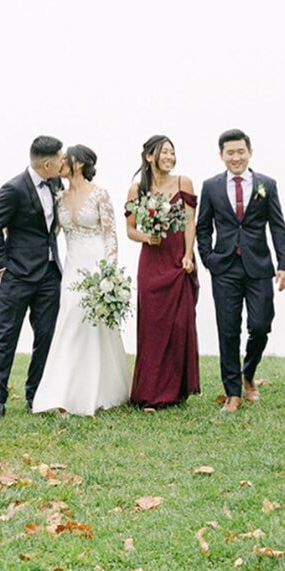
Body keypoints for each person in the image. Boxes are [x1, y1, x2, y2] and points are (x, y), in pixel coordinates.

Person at [196, 128, 285, 412]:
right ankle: (233, 392)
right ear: (221, 155)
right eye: (230, 153)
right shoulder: (211, 186)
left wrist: (283, 263)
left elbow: (277, 225)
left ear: (250, 152)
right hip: (224, 267)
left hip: (259, 266)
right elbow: (203, 227)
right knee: (228, 330)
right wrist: (209, 259)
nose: (235, 157)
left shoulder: (267, 184)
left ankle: (248, 372)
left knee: (261, 325)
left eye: (240, 151)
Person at [32, 145, 131, 415]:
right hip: (73, 267)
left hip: (97, 265)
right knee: (70, 321)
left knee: (96, 326)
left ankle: (101, 390)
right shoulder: (59, 197)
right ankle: (61, 392)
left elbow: (111, 235)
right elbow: (49, 231)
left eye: (65, 159)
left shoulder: (100, 194)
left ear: (78, 163)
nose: (60, 162)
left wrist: (109, 274)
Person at [0, 135, 65, 421]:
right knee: (5, 336)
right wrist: (2, 266)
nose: (63, 162)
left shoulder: (57, 184)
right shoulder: (13, 188)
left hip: (49, 274)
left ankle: (35, 396)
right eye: (61, 158)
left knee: (45, 336)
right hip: (17, 275)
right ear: (47, 162)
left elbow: (51, 226)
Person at [124, 134, 200, 409]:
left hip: (178, 258)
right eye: (163, 152)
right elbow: (130, 230)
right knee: (152, 326)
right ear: (148, 156)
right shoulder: (137, 189)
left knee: (180, 325)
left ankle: (175, 390)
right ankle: (149, 391)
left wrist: (188, 255)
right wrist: (147, 237)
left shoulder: (184, 183)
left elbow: (190, 221)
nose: (169, 157)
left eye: (172, 152)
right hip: (152, 261)